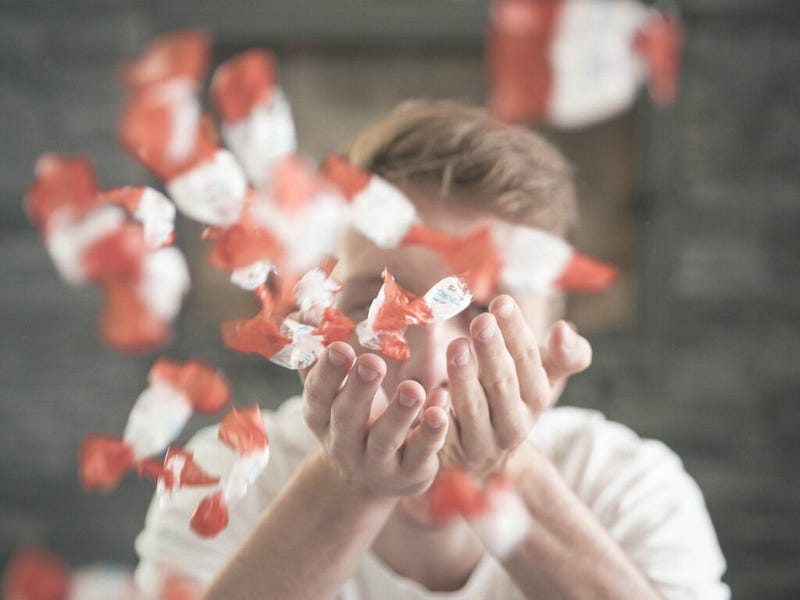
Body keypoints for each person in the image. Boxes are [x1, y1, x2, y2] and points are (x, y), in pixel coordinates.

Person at [135, 100, 729, 599]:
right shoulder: (223, 476)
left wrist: (502, 469)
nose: (426, 365)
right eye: (379, 301)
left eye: (484, 312)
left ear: (555, 332)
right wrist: (353, 482)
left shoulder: (629, 488)